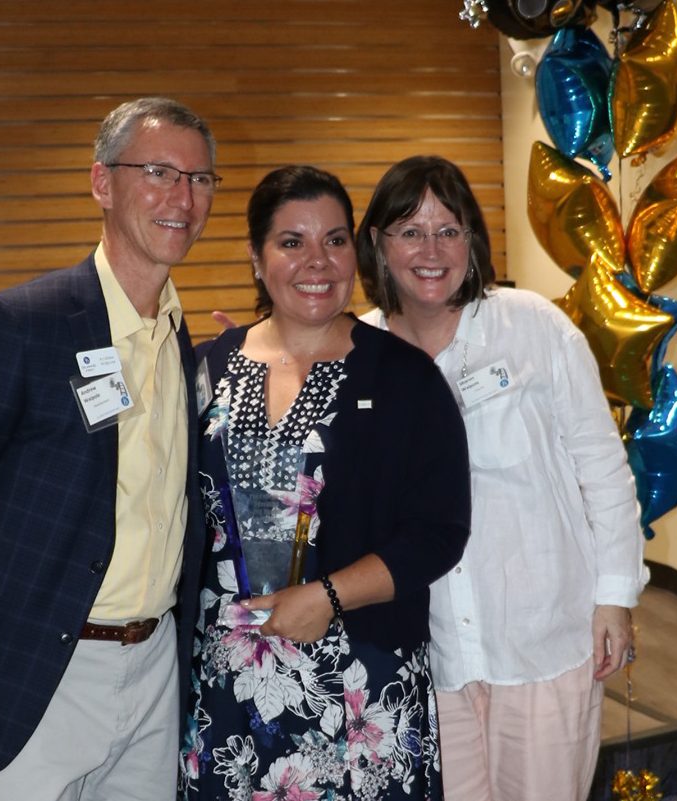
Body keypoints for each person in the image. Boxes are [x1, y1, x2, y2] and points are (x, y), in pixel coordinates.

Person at [0, 96, 219, 801]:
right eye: (160, 172)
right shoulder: (19, 325)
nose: (182, 197)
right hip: (37, 667)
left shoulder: (178, 337)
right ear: (102, 183)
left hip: (155, 669)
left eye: (199, 180)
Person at [356, 155, 648, 801]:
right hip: (427, 655)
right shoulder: (360, 353)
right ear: (377, 242)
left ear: (473, 242)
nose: (431, 249)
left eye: (450, 229)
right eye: (410, 230)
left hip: (542, 638)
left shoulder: (532, 326)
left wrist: (615, 597)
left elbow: (602, 465)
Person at [179, 165, 471, 801]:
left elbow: (440, 533)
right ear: (256, 257)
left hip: (361, 686)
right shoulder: (205, 369)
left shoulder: (405, 377)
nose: (318, 261)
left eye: (335, 240)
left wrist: (328, 597)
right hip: (230, 686)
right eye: (292, 242)